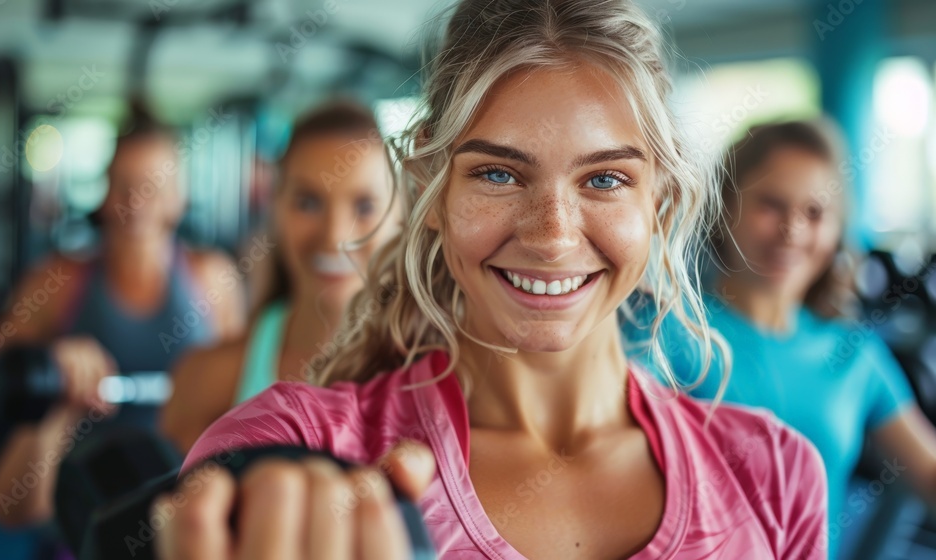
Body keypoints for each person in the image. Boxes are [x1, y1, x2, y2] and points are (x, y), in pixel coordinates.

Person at [156, 1, 829, 558]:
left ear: (660, 202)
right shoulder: (286, 454)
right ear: (429, 189)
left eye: (604, 179)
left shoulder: (774, 474)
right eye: (498, 174)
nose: (552, 235)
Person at [627, 119, 936, 559]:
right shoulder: (669, 332)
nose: (792, 228)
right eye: (771, 204)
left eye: (815, 212)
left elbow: (927, 469)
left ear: (836, 230)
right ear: (725, 208)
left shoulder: (852, 353)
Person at [0, 105, 245, 529]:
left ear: (178, 197)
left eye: (151, 187)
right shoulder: (59, 279)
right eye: (123, 186)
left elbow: (248, 396)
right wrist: (48, 371)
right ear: (103, 193)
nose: (134, 203)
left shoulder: (213, 278)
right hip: (85, 501)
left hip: (186, 507)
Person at [161, 100, 401, 454]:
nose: (334, 236)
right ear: (276, 208)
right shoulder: (205, 378)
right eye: (307, 203)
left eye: (364, 206)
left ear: (401, 219)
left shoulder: (439, 383)